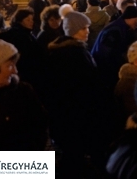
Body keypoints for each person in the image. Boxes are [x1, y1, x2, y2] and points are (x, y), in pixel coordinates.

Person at [46, 11, 107, 172]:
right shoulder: (73, 54)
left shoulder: (70, 50)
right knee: (73, 154)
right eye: (83, 29)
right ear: (73, 31)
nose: (87, 31)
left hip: (69, 113)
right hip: (75, 113)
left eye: (87, 28)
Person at [92, 5, 137, 90]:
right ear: (130, 18)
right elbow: (106, 52)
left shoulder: (121, 27)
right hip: (104, 69)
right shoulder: (115, 30)